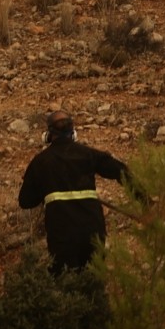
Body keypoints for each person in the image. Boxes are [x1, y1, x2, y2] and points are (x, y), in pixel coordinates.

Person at [17, 111, 127, 272]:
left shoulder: (40, 161)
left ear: (48, 135)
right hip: (93, 229)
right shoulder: (89, 154)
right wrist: (145, 201)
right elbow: (122, 171)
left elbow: (25, 202)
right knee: (94, 279)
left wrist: (37, 184)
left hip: (62, 234)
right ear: (73, 133)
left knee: (66, 282)